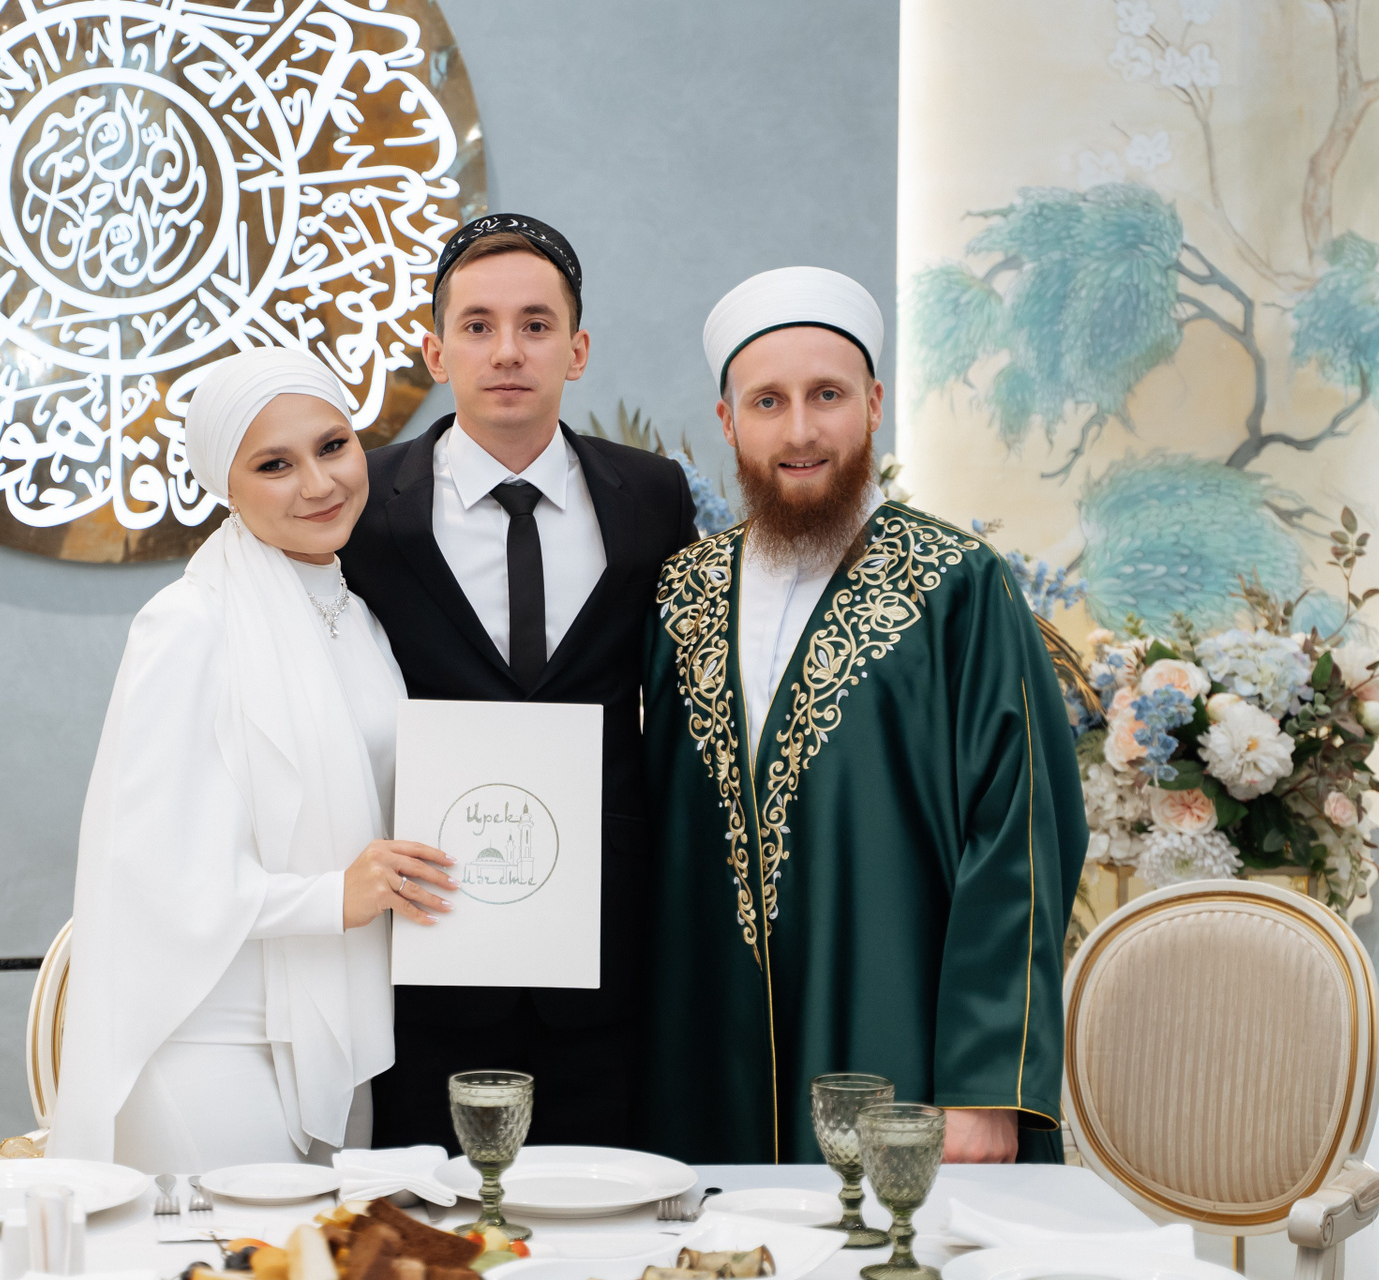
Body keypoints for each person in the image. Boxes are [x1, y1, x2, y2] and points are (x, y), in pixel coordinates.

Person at [639, 266, 1087, 1165]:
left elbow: (1021, 838)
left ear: (874, 405)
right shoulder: (683, 592)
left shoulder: (958, 586)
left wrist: (984, 1086)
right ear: (728, 422)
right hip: (708, 1057)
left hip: (907, 1065)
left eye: (828, 395)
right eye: (768, 402)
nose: (800, 431)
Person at [50, 348, 459, 1174]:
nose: (318, 483)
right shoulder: (189, 622)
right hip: (210, 1034)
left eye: (333, 446)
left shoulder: (361, 621)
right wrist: (333, 896)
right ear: (224, 486)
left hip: (334, 1012)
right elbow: (147, 868)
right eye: (275, 465)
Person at [340, 214, 699, 1148]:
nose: (508, 350)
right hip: (428, 944)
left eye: (537, 325)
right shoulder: (366, 506)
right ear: (436, 351)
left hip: (605, 953)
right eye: (478, 325)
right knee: (430, 1212)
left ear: (577, 350)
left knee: (605, 1205)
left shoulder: (652, 496)